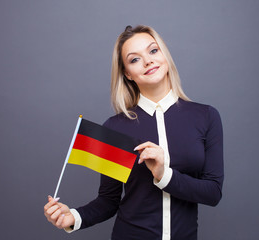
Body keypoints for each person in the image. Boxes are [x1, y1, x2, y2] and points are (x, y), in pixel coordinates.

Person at [44, 25, 224, 240]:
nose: (148, 61)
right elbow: (108, 202)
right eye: (134, 59)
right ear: (127, 73)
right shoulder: (115, 127)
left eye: (153, 51)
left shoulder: (205, 116)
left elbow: (212, 192)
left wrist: (163, 174)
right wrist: (72, 217)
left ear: (165, 55)